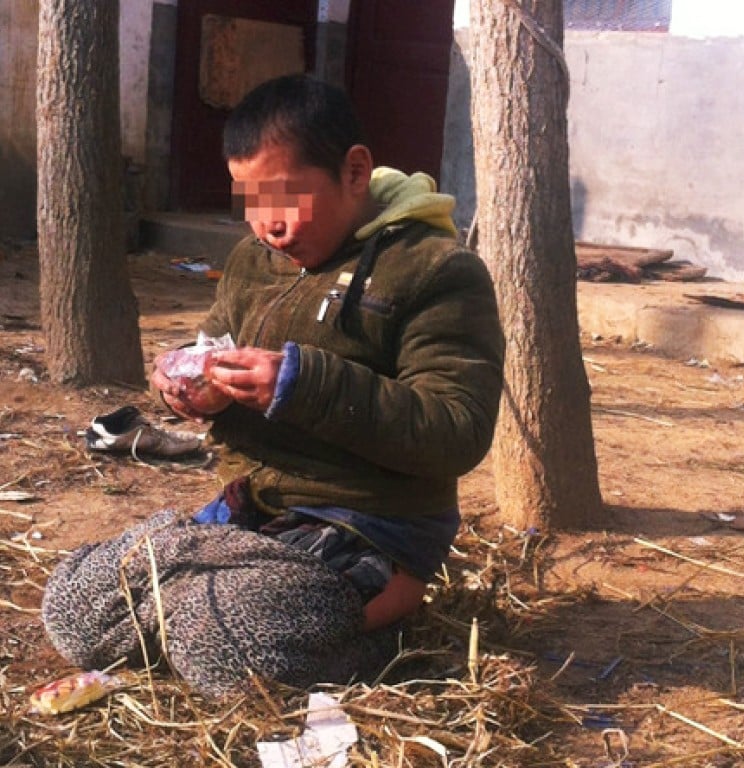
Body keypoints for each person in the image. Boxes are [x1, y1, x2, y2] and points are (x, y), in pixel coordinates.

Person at [42, 74, 504, 696]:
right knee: (75, 604)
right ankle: (206, 601)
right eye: (250, 202)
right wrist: (191, 388)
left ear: (355, 170)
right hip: (253, 509)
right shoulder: (250, 262)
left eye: (284, 198)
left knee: (227, 637)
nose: (268, 227)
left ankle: (374, 625)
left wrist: (304, 384)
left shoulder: (436, 272)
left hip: (366, 523)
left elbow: (457, 429)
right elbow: (215, 350)